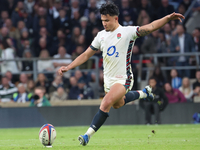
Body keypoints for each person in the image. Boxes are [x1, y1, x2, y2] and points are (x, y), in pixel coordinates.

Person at [58, 2, 184, 146]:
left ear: (116, 19)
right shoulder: (100, 36)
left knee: (105, 103)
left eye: (107, 20)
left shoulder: (127, 32)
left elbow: (150, 27)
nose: (104, 23)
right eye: (102, 20)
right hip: (108, 81)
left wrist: (167, 18)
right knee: (118, 104)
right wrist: (69, 66)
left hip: (123, 78)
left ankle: (87, 136)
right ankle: (144, 93)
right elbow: (86, 54)